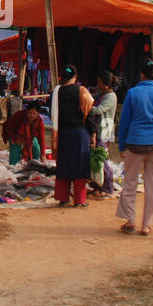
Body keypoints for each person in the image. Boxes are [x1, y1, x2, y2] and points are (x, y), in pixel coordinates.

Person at [115, 59, 153, 235]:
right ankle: (147, 224)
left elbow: (124, 121)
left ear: (141, 75)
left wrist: (121, 144)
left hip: (134, 143)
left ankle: (130, 220)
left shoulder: (133, 94)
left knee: (130, 182)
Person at [50, 65, 95, 207]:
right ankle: (80, 200)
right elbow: (89, 114)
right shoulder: (82, 91)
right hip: (79, 134)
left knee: (64, 164)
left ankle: (63, 198)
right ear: (75, 77)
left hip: (63, 133)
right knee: (80, 165)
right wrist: (93, 132)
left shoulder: (56, 93)